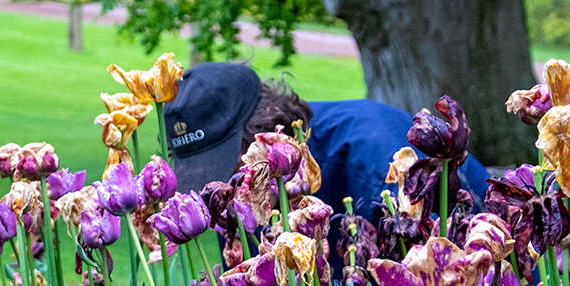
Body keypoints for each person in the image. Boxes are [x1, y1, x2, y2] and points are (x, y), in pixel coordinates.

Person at [161, 61, 489, 221]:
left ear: (269, 131)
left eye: (226, 163)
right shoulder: (240, 194)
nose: (219, 192)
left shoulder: (377, 158)